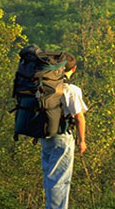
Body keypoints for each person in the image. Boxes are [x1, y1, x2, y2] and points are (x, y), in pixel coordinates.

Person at [40, 52, 88, 209]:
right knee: (60, 180)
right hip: (62, 137)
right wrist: (82, 141)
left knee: (49, 178)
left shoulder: (45, 86)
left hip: (45, 135)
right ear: (74, 68)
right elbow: (79, 117)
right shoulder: (71, 90)